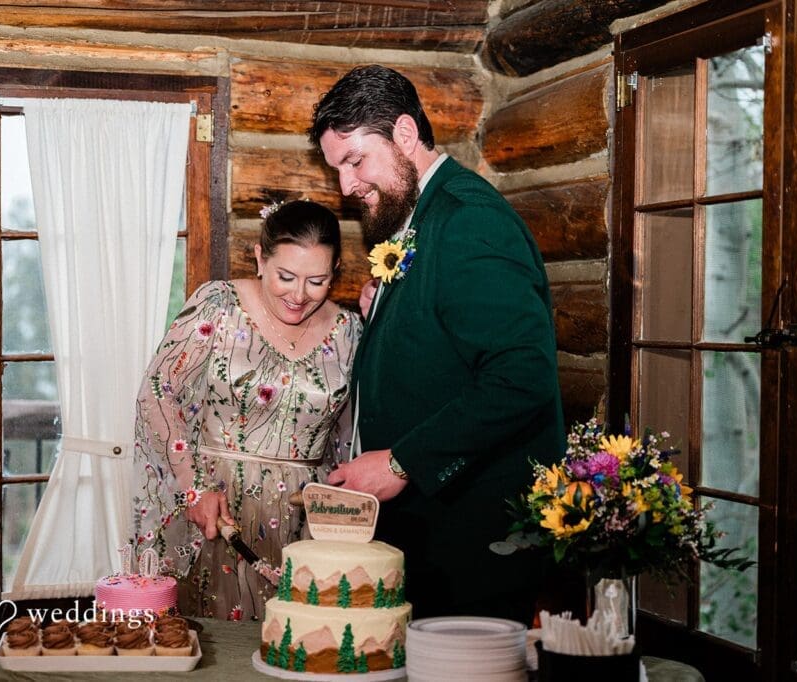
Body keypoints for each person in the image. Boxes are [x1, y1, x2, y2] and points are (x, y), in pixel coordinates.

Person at [312, 65, 565, 624]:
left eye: (355, 160)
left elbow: (520, 378)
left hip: (474, 545)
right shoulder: (420, 216)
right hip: (431, 537)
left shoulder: (469, 219)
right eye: (337, 169)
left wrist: (403, 462)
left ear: (405, 134)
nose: (346, 186)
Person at [132, 200, 361, 620]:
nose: (298, 295)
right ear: (260, 257)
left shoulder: (350, 330)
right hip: (218, 514)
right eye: (286, 276)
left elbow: (351, 435)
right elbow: (158, 393)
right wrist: (193, 486)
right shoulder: (217, 306)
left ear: (336, 272)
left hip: (305, 521)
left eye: (317, 281)